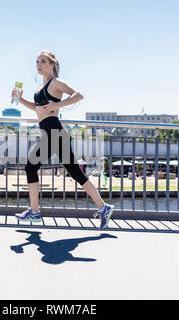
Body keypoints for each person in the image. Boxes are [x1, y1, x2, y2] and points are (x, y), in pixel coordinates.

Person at [12, 49, 114, 229]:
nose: (39, 64)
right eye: (37, 61)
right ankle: (104, 208)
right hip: (53, 133)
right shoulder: (40, 87)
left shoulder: (56, 82)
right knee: (76, 173)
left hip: (54, 132)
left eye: (43, 61)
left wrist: (57, 105)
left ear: (52, 64)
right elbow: (38, 109)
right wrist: (20, 99)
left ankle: (34, 212)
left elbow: (78, 95)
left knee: (30, 167)